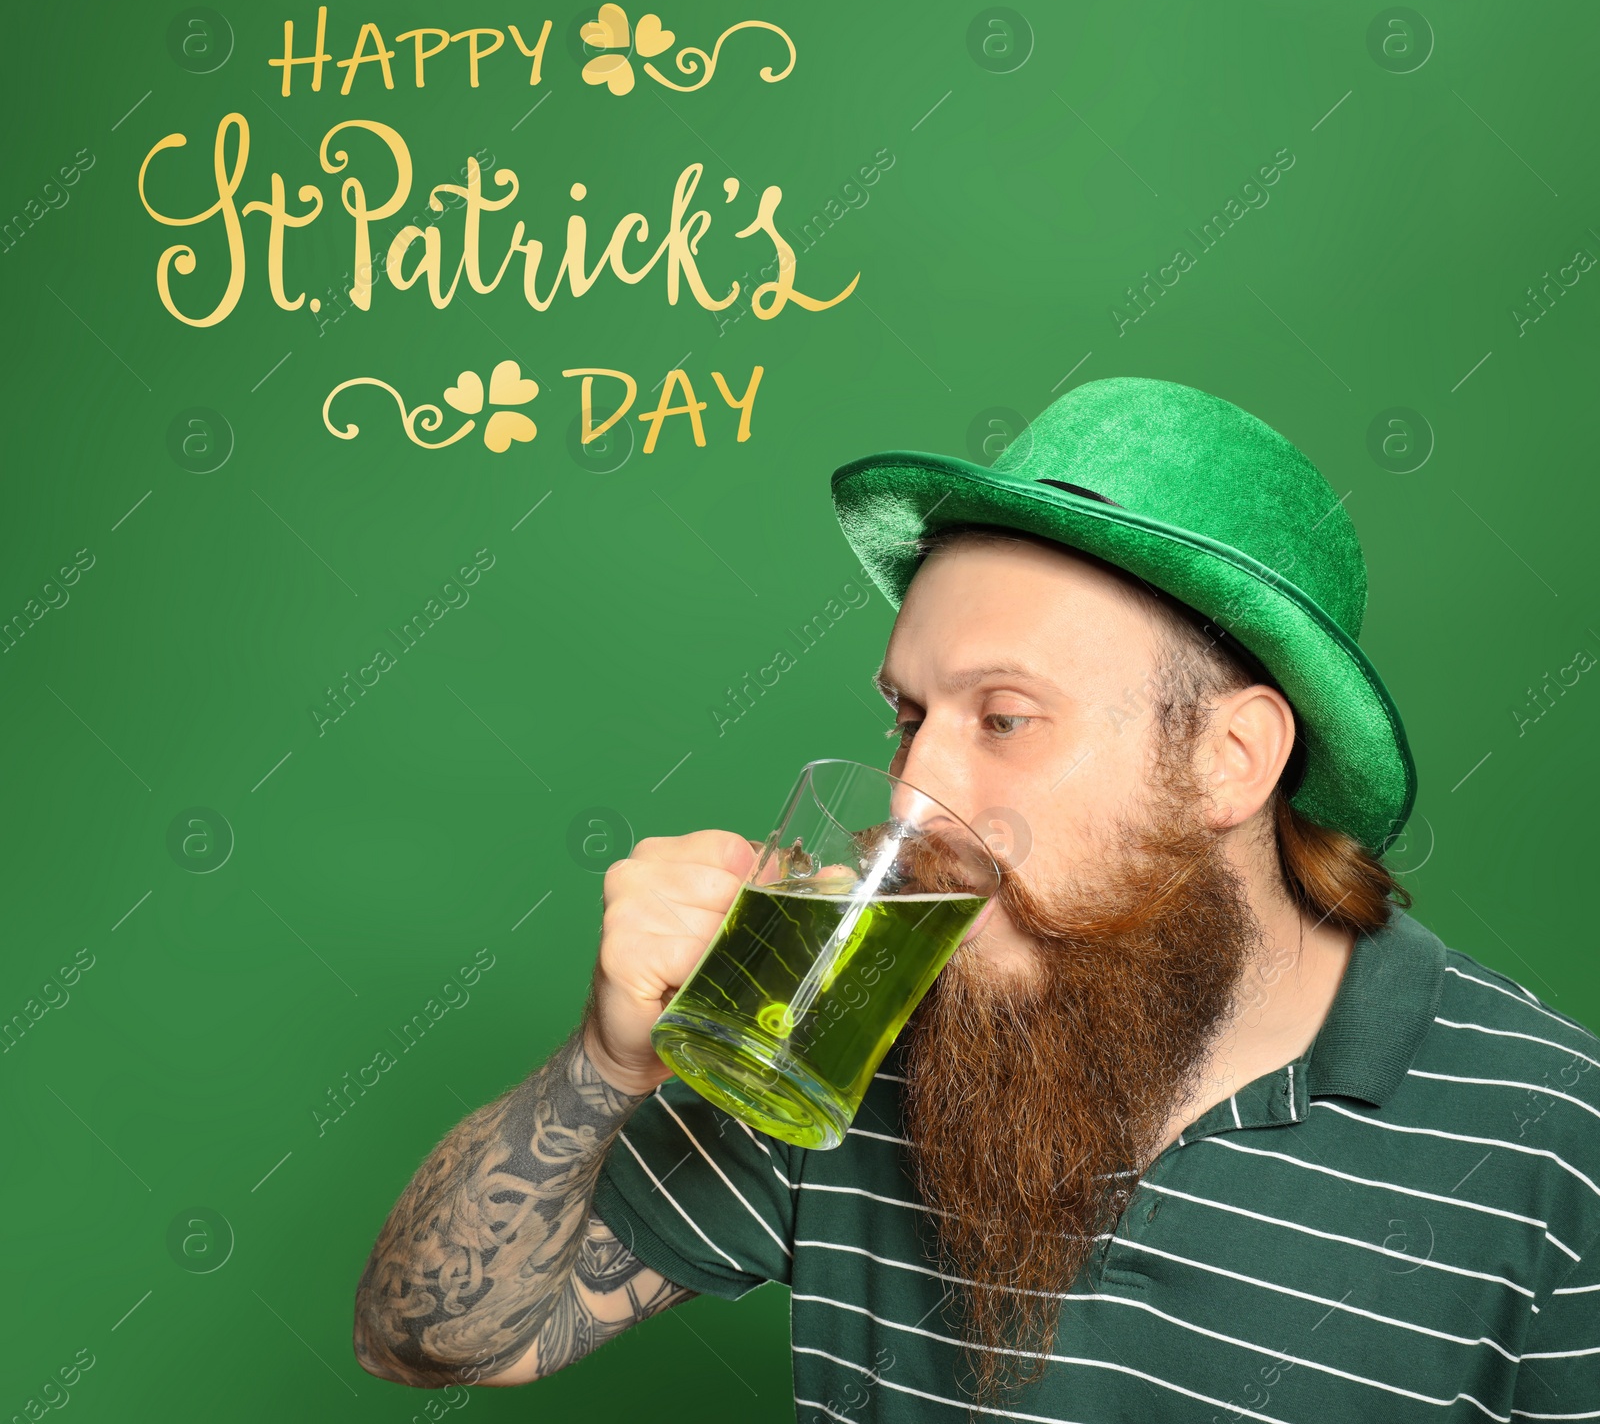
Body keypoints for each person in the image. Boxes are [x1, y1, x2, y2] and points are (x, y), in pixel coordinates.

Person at [352, 377, 1600, 1420]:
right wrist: (607, 1059)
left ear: (1230, 759)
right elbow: (434, 1339)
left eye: (1002, 717)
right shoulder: (850, 1031)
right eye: (908, 714)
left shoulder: (1555, 1147)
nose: (909, 795)